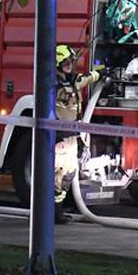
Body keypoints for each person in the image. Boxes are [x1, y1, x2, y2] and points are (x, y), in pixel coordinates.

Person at [54, 45, 100, 224]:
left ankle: (58, 211)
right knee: (55, 176)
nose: (69, 65)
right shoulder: (52, 83)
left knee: (69, 173)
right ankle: (52, 214)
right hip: (58, 136)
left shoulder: (71, 80)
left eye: (71, 62)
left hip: (72, 135)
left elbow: (86, 79)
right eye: (65, 62)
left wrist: (101, 72)